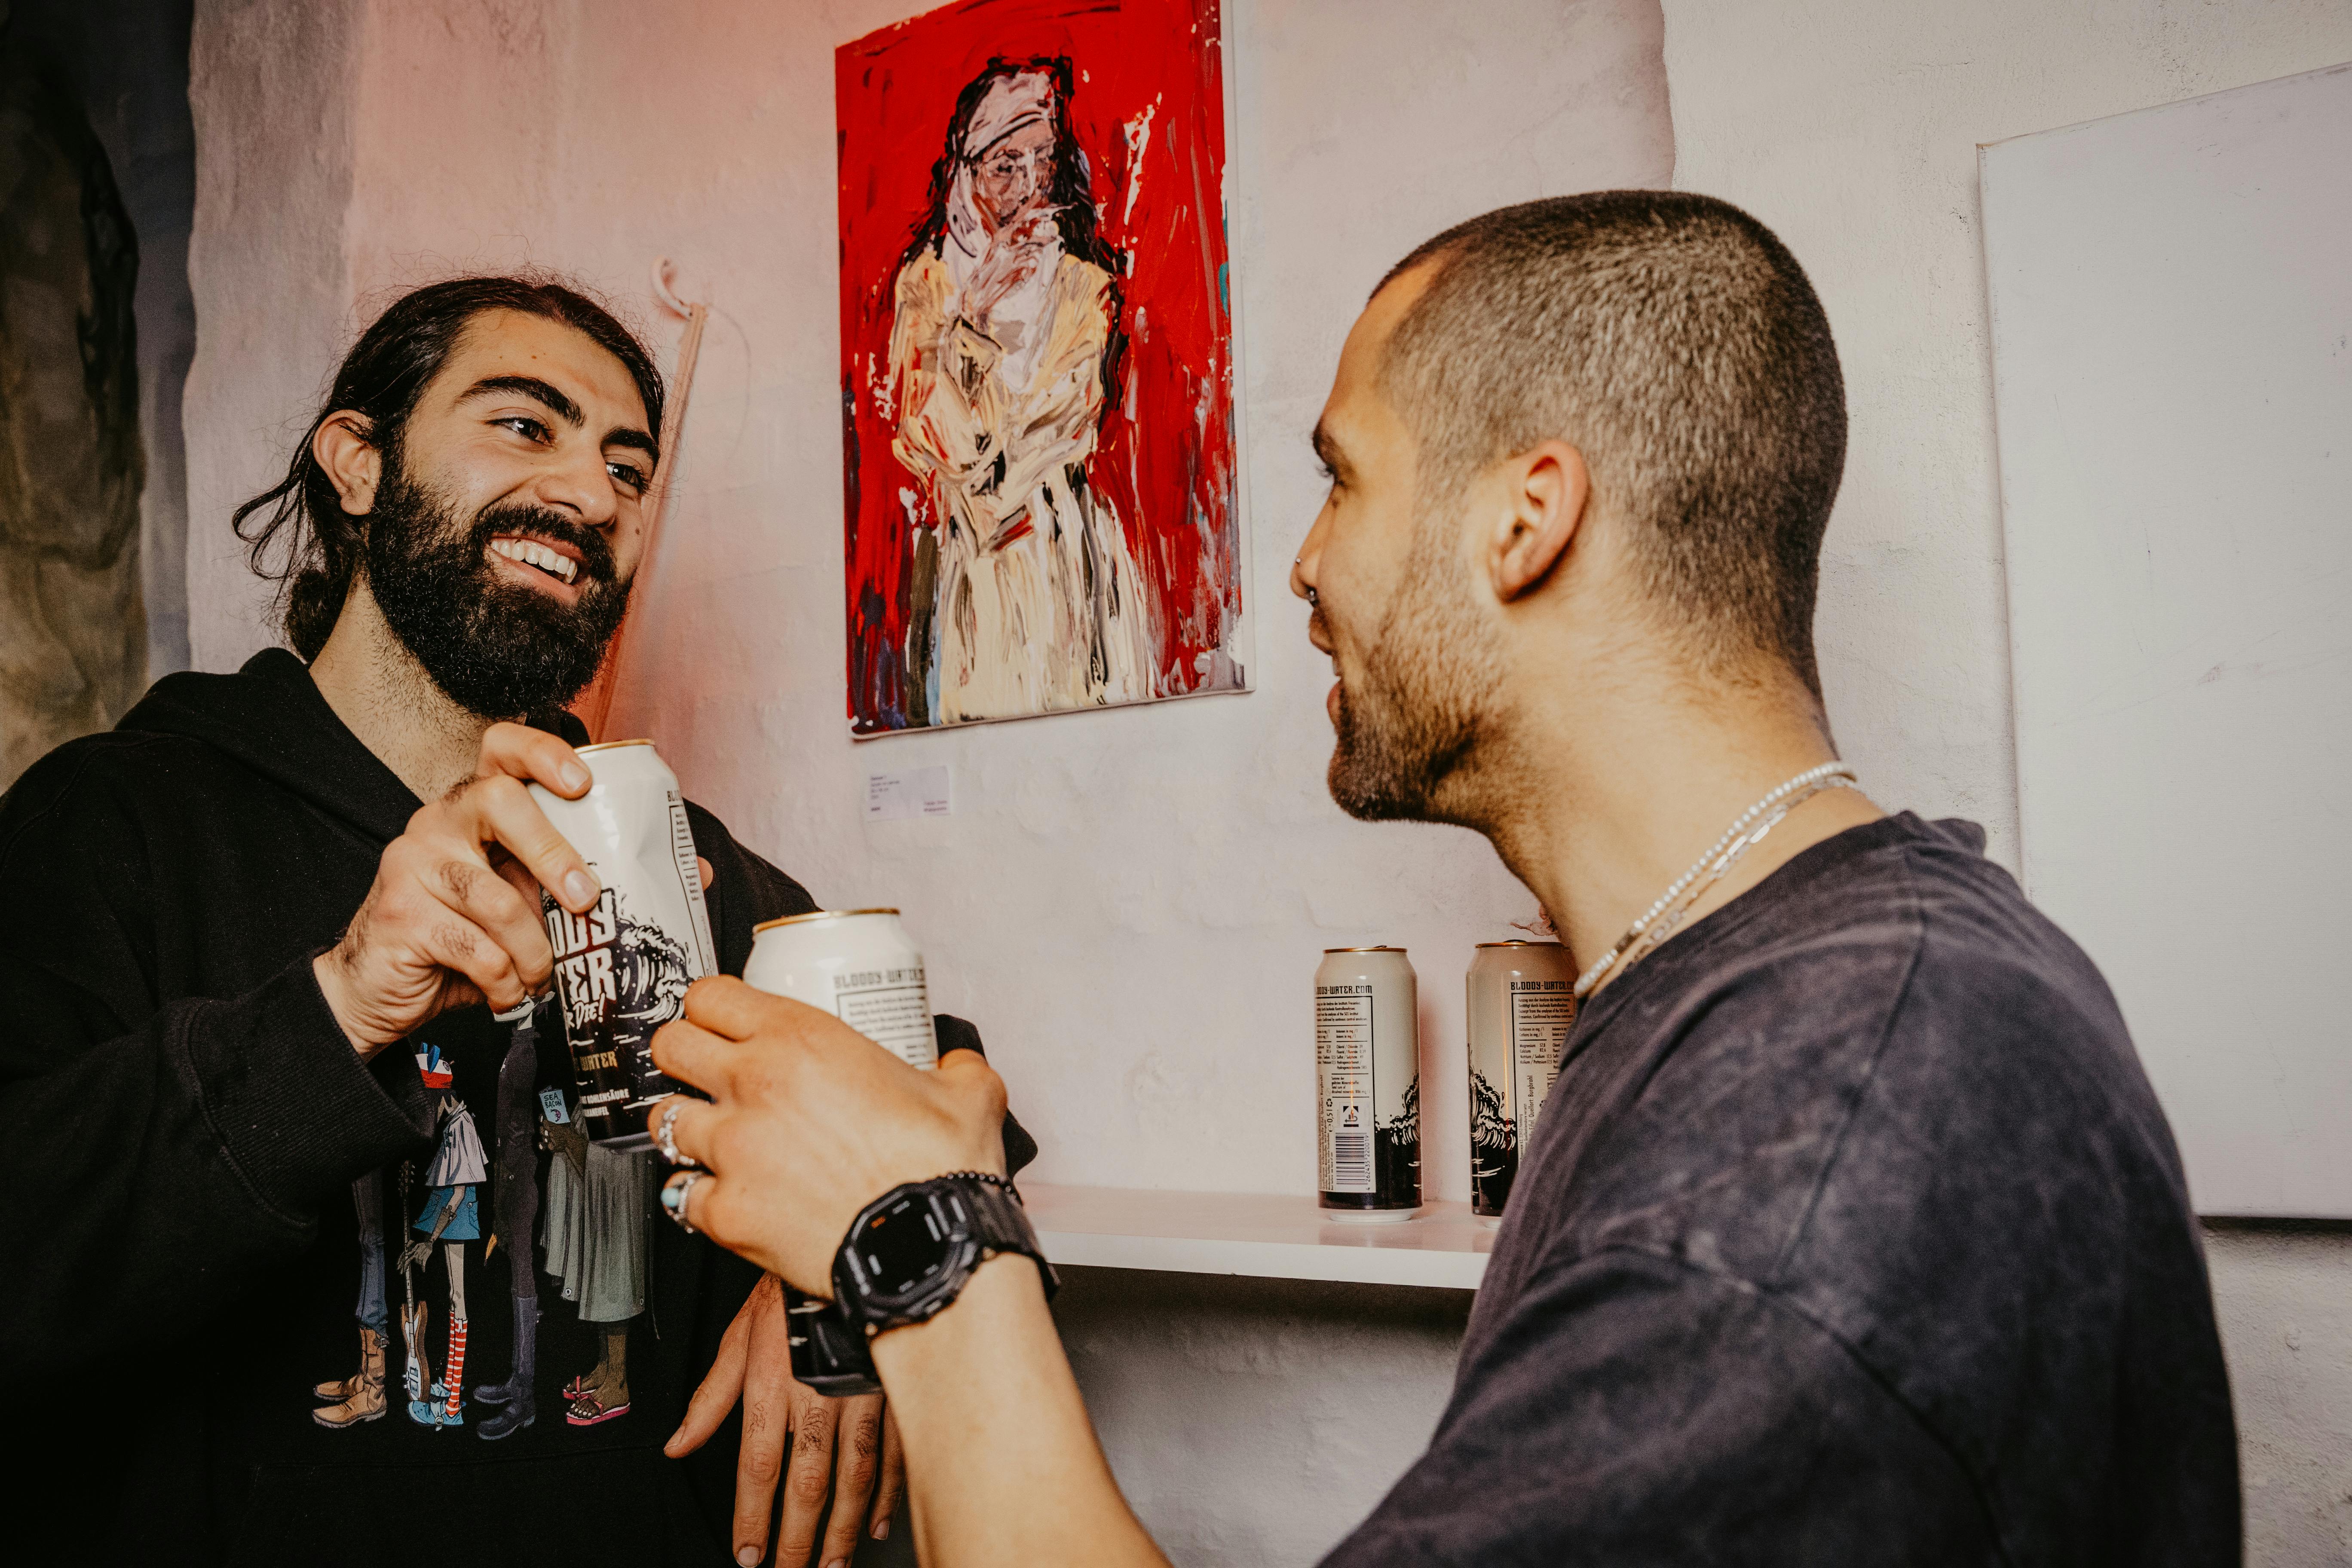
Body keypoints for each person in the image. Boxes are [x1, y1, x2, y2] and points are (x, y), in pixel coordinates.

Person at [651, 193, 2242, 1565]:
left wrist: (917, 1242)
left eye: (1342, 477)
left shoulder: (1838, 1110)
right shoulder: (1779, 984)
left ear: (1525, 518)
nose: (1302, 564)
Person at [0, 274, 1032, 1566]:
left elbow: (948, 1093)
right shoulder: (115, 824)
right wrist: (334, 1004)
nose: (595, 495)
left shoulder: (670, 855)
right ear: (357, 463)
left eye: (627, 465)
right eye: (525, 427)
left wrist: (839, 1283)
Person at [887, 54, 1155, 722]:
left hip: (1064, 555)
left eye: (1044, 158)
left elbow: (1050, 440)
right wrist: (973, 319)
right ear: (966, 169)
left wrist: (977, 445)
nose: (1031, 184)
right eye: (1006, 165)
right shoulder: (928, 286)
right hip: (967, 576)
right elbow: (929, 438)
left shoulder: (1084, 290)